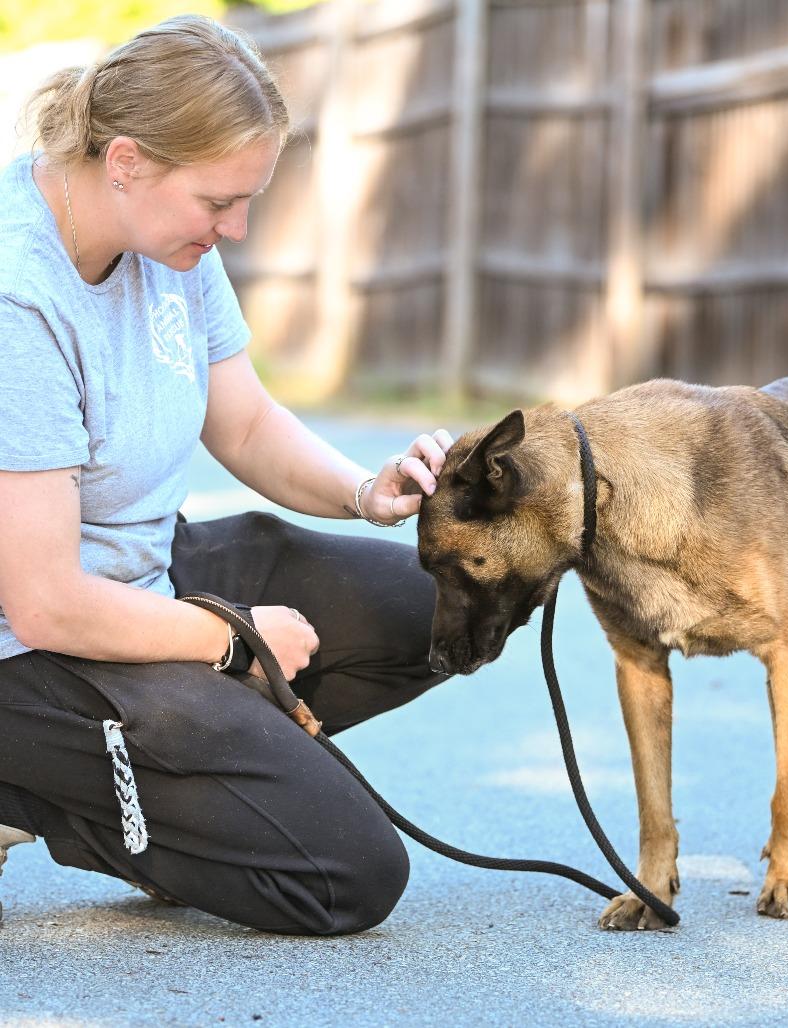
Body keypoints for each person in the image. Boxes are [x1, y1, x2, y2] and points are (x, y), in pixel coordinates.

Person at [0, 14, 455, 935]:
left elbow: (242, 419)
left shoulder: (170, 244)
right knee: (348, 877)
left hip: (144, 573)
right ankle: (31, 795)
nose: (236, 230)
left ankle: (184, 791)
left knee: (449, 598)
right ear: (124, 160)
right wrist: (233, 645)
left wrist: (369, 494)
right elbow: (46, 602)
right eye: (219, 202)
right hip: (33, 646)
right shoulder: (19, 297)